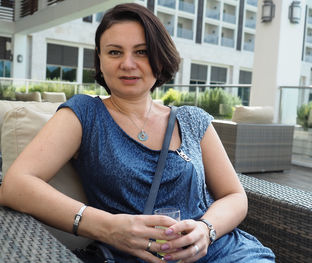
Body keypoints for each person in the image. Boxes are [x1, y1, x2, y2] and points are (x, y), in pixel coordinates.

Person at [0, 3, 275, 263]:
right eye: (114, 52)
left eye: (141, 52)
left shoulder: (192, 120)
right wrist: (108, 228)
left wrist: (206, 230)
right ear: (100, 60)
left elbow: (235, 196)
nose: (128, 64)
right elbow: (15, 185)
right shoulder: (84, 114)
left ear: (160, 57)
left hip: (223, 252)